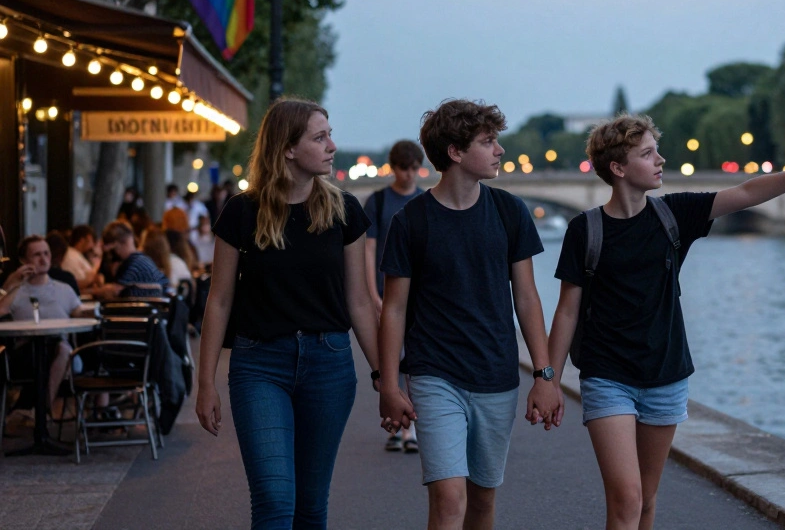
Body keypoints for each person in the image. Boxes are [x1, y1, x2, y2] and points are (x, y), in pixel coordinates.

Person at [544, 114, 785, 530]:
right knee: (627, 498)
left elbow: (746, 193)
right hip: (607, 377)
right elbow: (567, 309)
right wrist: (547, 378)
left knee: (647, 500)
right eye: (648, 153)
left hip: (667, 376)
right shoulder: (585, 230)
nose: (661, 159)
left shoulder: (674, 214)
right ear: (618, 169)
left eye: (656, 150)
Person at [195, 98, 382, 530]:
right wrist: (205, 384)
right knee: (275, 501)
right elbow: (218, 300)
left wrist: (384, 378)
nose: (332, 145)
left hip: (330, 365)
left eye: (330, 134)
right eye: (320, 137)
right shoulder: (241, 212)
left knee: (311, 507)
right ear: (288, 148)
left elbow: (359, 302)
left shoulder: (345, 212)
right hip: (259, 365)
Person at [378, 99, 562, 530]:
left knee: (481, 502)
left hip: (496, 376)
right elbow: (394, 310)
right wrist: (388, 384)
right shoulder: (411, 222)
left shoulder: (509, 212)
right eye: (488, 141)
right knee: (449, 499)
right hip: (434, 375)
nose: (499, 150)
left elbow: (528, 299)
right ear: (456, 152)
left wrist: (545, 374)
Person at [363, 139, 426, 453]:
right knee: (389, 363)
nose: (409, 174)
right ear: (393, 167)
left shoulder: (425, 201)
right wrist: (372, 293)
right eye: (404, 168)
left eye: (415, 168)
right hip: (383, 291)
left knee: (411, 362)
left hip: (416, 293)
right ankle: (393, 423)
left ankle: (409, 428)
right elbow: (368, 250)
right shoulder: (377, 201)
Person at [0, 236, 95, 411]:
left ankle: (39, 412)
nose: (44, 259)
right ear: (23, 260)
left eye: (46, 253)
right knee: (58, 350)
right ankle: (42, 412)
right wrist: (12, 283)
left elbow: (79, 313)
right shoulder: (16, 290)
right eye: (37, 255)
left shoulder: (64, 289)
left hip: (62, 353)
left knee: (63, 348)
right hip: (25, 356)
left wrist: (95, 310)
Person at [92, 220, 169, 299]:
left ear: (116, 245)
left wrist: (87, 292)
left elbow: (113, 291)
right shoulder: (143, 259)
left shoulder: (133, 264)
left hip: (137, 310)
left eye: (110, 252)